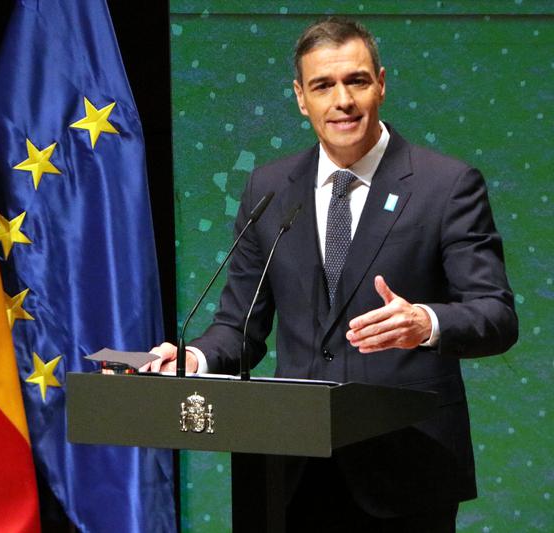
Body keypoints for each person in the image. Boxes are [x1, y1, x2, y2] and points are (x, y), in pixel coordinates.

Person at [144, 17, 518, 532]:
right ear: (301, 98)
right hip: (293, 469)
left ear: (381, 84)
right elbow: (240, 327)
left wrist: (426, 322)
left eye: (356, 81)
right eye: (323, 85)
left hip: (405, 469)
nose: (341, 100)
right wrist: (197, 355)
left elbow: (495, 315)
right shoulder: (268, 190)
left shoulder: (446, 185)